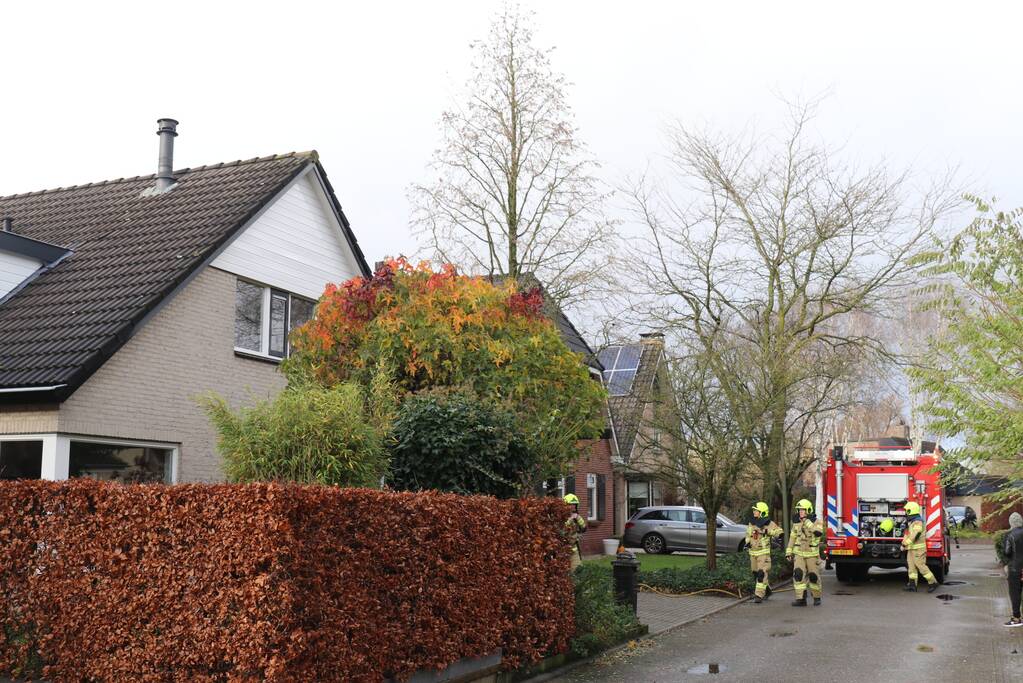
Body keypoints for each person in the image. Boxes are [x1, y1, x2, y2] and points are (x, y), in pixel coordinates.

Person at [786, 499, 823, 606]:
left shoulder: (817, 521)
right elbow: (792, 537)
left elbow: (818, 532)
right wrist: (788, 551)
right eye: (799, 510)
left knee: (813, 576)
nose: (800, 512)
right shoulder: (796, 522)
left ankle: (816, 597)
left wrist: (807, 522)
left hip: (812, 555)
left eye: (803, 510)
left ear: (808, 510)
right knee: (798, 574)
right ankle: (801, 598)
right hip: (799, 554)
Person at [747, 501, 784, 603]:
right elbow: (748, 534)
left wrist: (767, 532)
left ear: (762, 512)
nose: (754, 511)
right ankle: (767, 591)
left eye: (756, 510)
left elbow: (779, 532)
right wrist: (747, 542)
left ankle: (759, 595)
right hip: (753, 553)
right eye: (754, 510)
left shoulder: (769, 523)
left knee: (761, 574)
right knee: (755, 574)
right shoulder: (752, 522)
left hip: (763, 554)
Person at [901, 501, 939, 592]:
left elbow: (915, 534)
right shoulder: (912, 521)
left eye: (907, 510)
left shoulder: (918, 522)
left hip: (918, 549)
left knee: (921, 566)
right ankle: (912, 585)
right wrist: (904, 544)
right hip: (911, 549)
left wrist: (904, 544)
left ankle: (933, 582)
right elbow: (908, 534)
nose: (906, 512)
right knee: (911, 567)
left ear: (911, 511)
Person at [1003, 512, 1023, 627]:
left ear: (1011, 523)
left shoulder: (1009, 535)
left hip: (1015, 569)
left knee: (1015, 594)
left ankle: (1016, 618)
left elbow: (1007, 552)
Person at [563, 493, 587, 569]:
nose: (572, 507)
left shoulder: (576, 516)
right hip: (562, 548)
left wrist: (578, 518)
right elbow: (562, 529)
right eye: (570, 505)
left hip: (574, 548)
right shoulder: (561, 516)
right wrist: (570, 520)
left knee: (577, 568)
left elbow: (583, 528)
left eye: (574, 505)